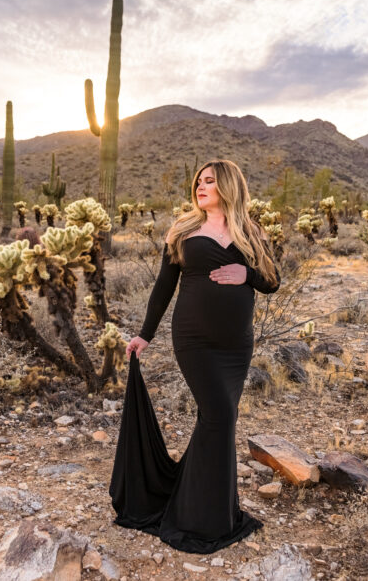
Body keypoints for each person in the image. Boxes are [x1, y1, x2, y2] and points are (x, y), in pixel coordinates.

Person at [109, 159, 280, 554]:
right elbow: (163, 287)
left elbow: (272, 281)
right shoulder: (185, 231)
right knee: (220, 416)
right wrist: (145, 334)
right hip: (195, 341)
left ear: (228, 186)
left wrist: (246, 274)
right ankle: (201, 518)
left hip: (237, 345)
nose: (200, 187)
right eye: (198, 182)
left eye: (209, 181)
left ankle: (199, 504)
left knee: (216, 421)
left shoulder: (250, 231)